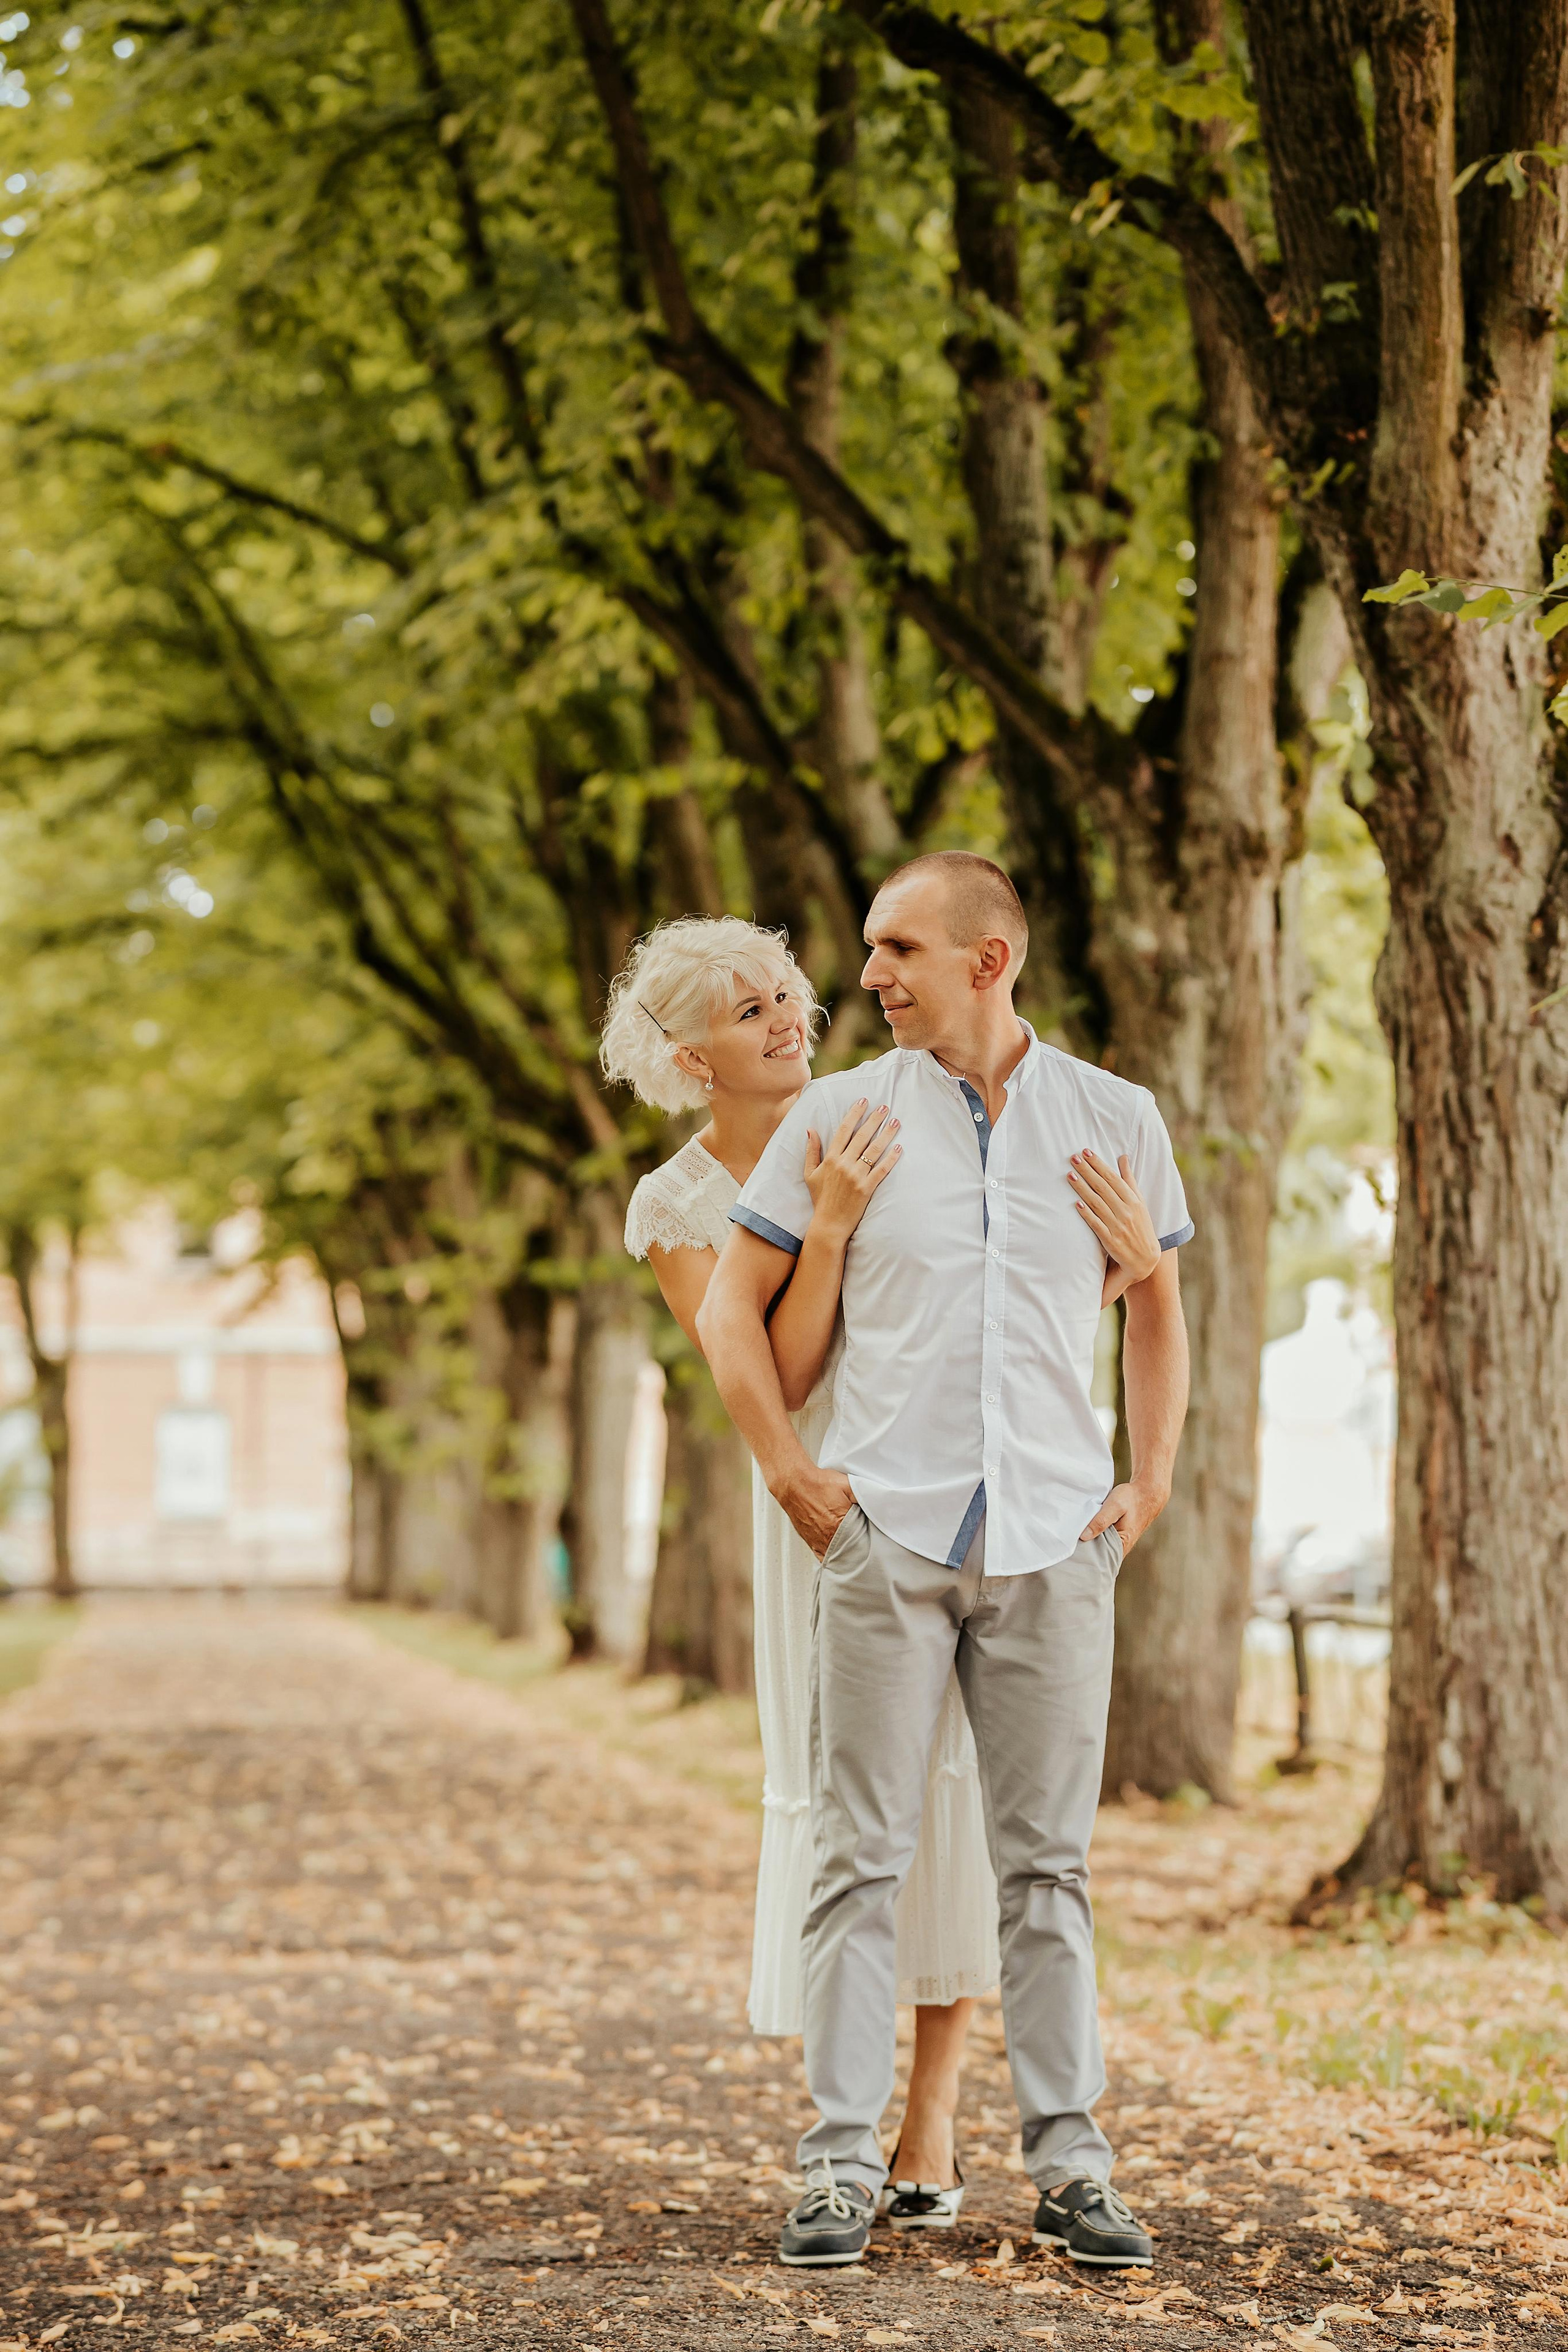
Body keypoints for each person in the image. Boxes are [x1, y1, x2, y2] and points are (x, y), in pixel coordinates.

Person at [602, 914, 1164, 2231]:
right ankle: (844, 2141)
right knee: (859, 1810)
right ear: (691, 1059)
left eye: (786, 990)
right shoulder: (685, 1200)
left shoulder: (890, 1112)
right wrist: (834, 1228)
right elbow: (775, 1375)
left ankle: (929, 2115)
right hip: (822, 1497)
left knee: (974, 1802)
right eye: (747, 1012)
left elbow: (1007, 1295)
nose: (788, 1017)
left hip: (980, 1490)